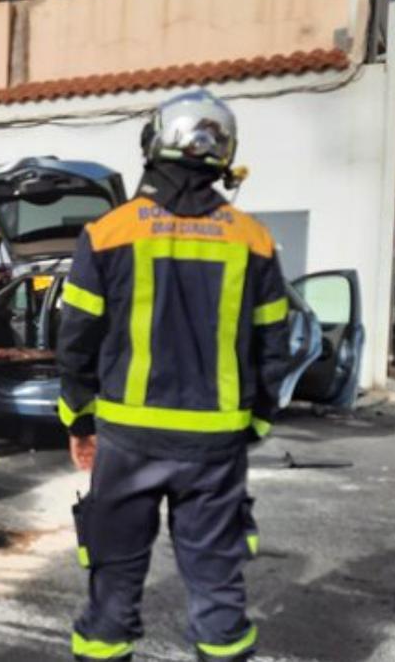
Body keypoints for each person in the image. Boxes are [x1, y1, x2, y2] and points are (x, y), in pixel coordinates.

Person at [58, 89, 290, 661]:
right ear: (222, 155)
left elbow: (76, 341)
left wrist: (77, 417)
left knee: (113, 581)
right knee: (217, 585)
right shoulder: (253, 239)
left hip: (126, 440)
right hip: (215, 445)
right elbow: (274, 345)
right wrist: (258, 420)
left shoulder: (108, 233)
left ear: (154, 143)